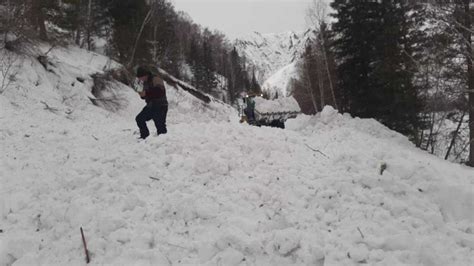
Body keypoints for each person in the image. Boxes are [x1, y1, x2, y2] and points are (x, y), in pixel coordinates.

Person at [135, 66, 168, 139]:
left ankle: (164, 143)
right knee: (139, 119)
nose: (140, 79)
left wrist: (146, 93)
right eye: (139, 77)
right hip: (151, 105)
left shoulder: (156, 79)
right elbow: (144, 97)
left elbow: (160, 91)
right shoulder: (143, 83)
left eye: (141, 77)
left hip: (161, 105)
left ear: (146, 75)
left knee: (160, 126)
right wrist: (141, 94)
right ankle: (144, 137)